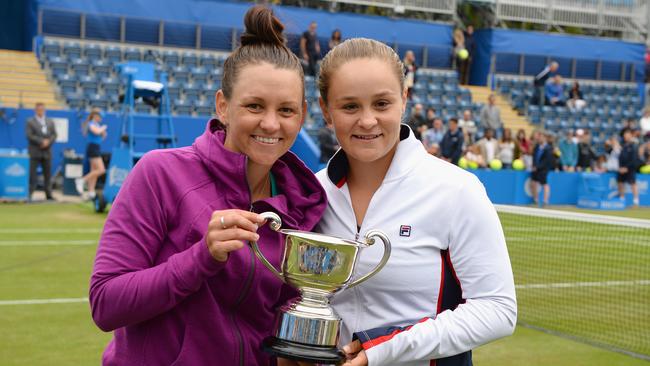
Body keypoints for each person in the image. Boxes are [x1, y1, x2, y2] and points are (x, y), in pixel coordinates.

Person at [89, 6, 327, 366]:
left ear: (303, 116)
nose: (270, 123)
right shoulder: (161, 173)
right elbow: (106, 304)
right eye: (254, 106)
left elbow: (277, 325)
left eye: (286, 110)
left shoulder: (302, 204)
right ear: (223, 106)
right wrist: (201, 258)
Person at [314, 37, 516, 366]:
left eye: (381, 104)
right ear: (326, 110)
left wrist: (383, 349)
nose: (367, 120)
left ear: (404, 99)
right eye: (350, 106)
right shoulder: (312, 192)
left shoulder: (456, 190)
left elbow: (498, 310)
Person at [25, 102, 57, 201]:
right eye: (38, 109)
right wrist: (41, 141)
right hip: (35, 152)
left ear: (44, 110)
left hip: (47, 153)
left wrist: (48, 142)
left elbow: (54, 135)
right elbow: (29, 135)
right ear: (35, 110)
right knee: (32, 174)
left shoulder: (50, 121)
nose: (40, 111)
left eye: (42, 109)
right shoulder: (30, 121)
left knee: (47, 175)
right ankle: (30, 194)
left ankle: (49, 194)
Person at [75, 108, 107, 200]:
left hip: (96, 147)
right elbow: (97, 132)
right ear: (95, 116)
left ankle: (91, 192)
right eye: (100, 116)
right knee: (101, 170)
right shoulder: (91, 124)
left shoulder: (97, 125)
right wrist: (103, 128)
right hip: (92, 148)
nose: (101, 118)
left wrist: (102, 132)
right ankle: (81, 180)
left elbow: (102, 137)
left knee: (94, 171)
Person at [618, 128, 640, 206]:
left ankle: (636, 201)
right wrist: (620, 167)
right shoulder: (623, 145)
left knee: (633, 183)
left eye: (627, 134)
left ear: (630, 135)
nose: (625, 136)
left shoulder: (634, 146)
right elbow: (620, 157)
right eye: (625, 135)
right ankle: (622, 199)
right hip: (622, 168)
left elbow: (634, 159)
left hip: (630, 168)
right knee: (620, 183)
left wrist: (627, 168)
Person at [531, 131, 554, 206]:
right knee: (533, 183)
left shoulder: (549, 148)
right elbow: (534, 157)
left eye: (540, 137)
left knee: (544, 184)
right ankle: (535, 200)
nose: (539, 138)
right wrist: (534, 165)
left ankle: (545, 201)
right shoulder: (537, 147)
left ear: (544, 138)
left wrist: (538, 167)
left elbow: (547, 160)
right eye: (538, 136)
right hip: (536, 169)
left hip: (543, 169)